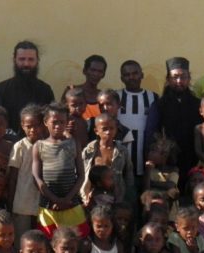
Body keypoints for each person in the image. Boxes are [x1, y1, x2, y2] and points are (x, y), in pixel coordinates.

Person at [32, 103, 89, 239]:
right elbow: (36, 177)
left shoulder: (74, 143)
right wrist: (55, 200)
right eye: (54, 122)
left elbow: (81, 175)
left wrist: (67, 199)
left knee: (76, 240)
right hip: (48, 206)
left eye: (62, 122)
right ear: (46, 122)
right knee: (48, 241)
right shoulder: (39, 146)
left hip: (71, 203)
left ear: (67, 123)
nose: (58, 126)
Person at [157, 57, 202, 194]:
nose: (179, 81)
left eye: (183, 77)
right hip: (168, 160)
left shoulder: (197, 104)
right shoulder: (160, 104)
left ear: (189, 79)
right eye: (175, 77)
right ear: (168, 79)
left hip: (193, 158)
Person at [0, 40, 55, 136]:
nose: (26, 64)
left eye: (31, 59)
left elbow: (51, 120)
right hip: (9, 144)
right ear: (14, 60)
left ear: (37, 61)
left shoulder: (45, 90)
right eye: (22, 59)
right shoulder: (1, 89)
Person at [117, 60, 160, 183]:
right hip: (122, 153)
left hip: (145, 153)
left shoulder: (153, 97)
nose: (131, 77)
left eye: (135, 73)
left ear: (142, 74)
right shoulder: (116, 96)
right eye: (127, 74)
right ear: (121, 78)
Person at [7, 104, 44, 241]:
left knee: (40, 239)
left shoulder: (47, 145)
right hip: (22, 203)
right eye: (29, 126)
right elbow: (13, 177)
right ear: (22, 125)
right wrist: (11, 204)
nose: (33, 129)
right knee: (22, 240)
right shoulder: (20, 147)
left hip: (42, 202)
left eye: (37, 125)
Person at [81, 113, 135, 205]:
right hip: (93, 197)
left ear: (116, 129)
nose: (108, 132)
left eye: (112, 128)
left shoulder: (122, 151)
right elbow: (82, 173)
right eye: (104, 129)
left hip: (116, 196)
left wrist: (128, 196)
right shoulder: (89, 151)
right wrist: (84, 196)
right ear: (96, 131)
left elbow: (129, 174)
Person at [62, 54, 107, 120]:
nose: (96, 74)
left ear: (103, 75)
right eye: (93, 70)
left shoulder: (103, 97)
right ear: (84, 71)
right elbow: (61, 115)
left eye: (100, 71)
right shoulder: (71, 91)